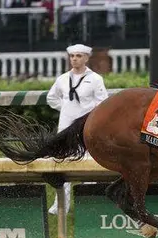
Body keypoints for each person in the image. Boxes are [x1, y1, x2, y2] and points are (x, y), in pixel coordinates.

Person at [46, 44, 108, 215]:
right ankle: (60, 206)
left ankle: (88, 202)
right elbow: (51, 98)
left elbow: (102, 101)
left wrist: (88, 115)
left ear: (86, 58)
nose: (75, 59)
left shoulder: (95, 79)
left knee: (88, 164)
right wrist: (65, 108)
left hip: (86, 128)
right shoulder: (63, 79)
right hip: (65, 127)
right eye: (72, 56)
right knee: (62, 164)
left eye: (79, 56)